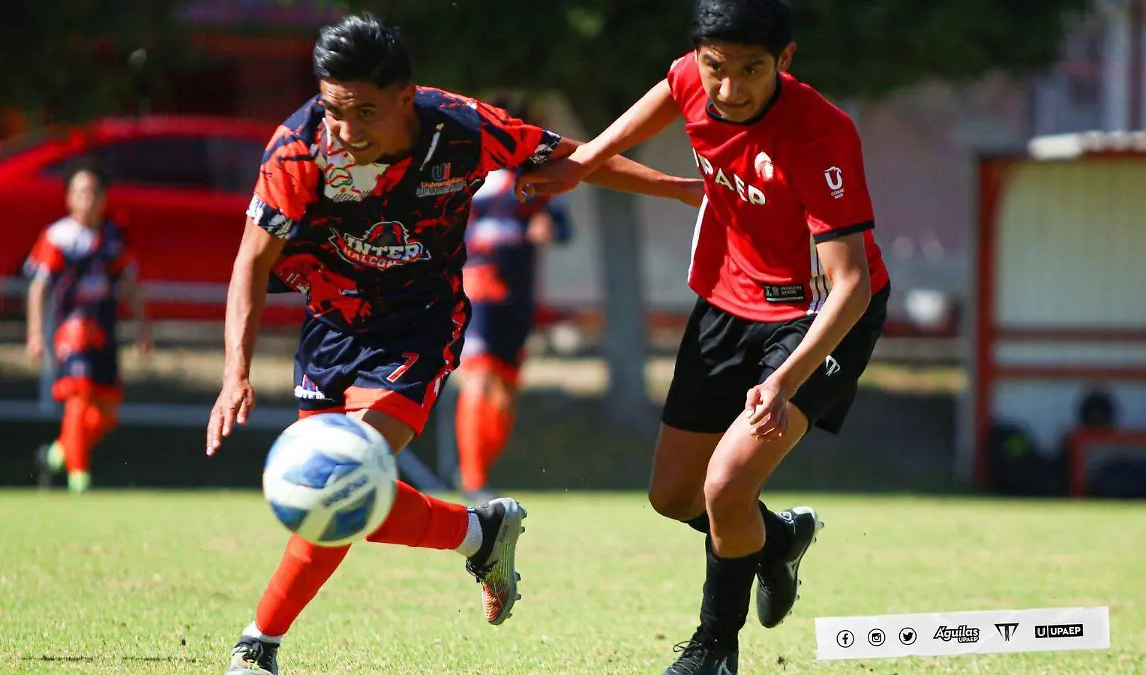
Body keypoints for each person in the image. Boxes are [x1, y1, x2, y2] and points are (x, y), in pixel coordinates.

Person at [203, 14, 702, 675]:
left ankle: (257, 642)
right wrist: (234, 372)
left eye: (365, 112)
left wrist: (683, 190)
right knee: (345, 496)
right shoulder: (298, 149)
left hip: (419, 325)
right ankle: (480, 531)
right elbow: (251, 261)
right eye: (333, 110)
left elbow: (575, 159)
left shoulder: (461, 130)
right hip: (329, 328)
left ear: (406, 97)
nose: (345, 131)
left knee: (341, 478)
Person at [517, 1, 891, 672]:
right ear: (698, 58)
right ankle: (777, 540)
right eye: (716, 68)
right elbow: (665, 99)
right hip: (728, 300)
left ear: (785, 60)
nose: (730, 89)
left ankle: (714, 648)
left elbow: (851, 284)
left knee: (725, 486)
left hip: (816, 314)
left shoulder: (820, 134)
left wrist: (781, 381)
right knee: (673, 496)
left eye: (751, 70)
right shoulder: (692, 78)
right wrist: (587, 160)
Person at [454, 95, 573, 504]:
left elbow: (562, 228)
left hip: (519, 296)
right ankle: (471, 478)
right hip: (479, 289)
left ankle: (481, 469)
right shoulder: (468, 175)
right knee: (478, 376)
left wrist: (549, 228)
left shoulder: (540, 180)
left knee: (505, 392)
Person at [27, 160, 152, 494]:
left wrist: (142, 327)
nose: (89, 198)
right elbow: (39, 287)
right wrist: (36, 334)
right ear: (69, 197)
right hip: (72, 332)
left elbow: (130, 283)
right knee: (78, 398)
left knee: (108, 413)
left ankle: (59, 452)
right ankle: (79, 475)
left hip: (105, 332)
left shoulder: (114, 236)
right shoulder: (58, 236)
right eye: (81, 191)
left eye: (95, 192)